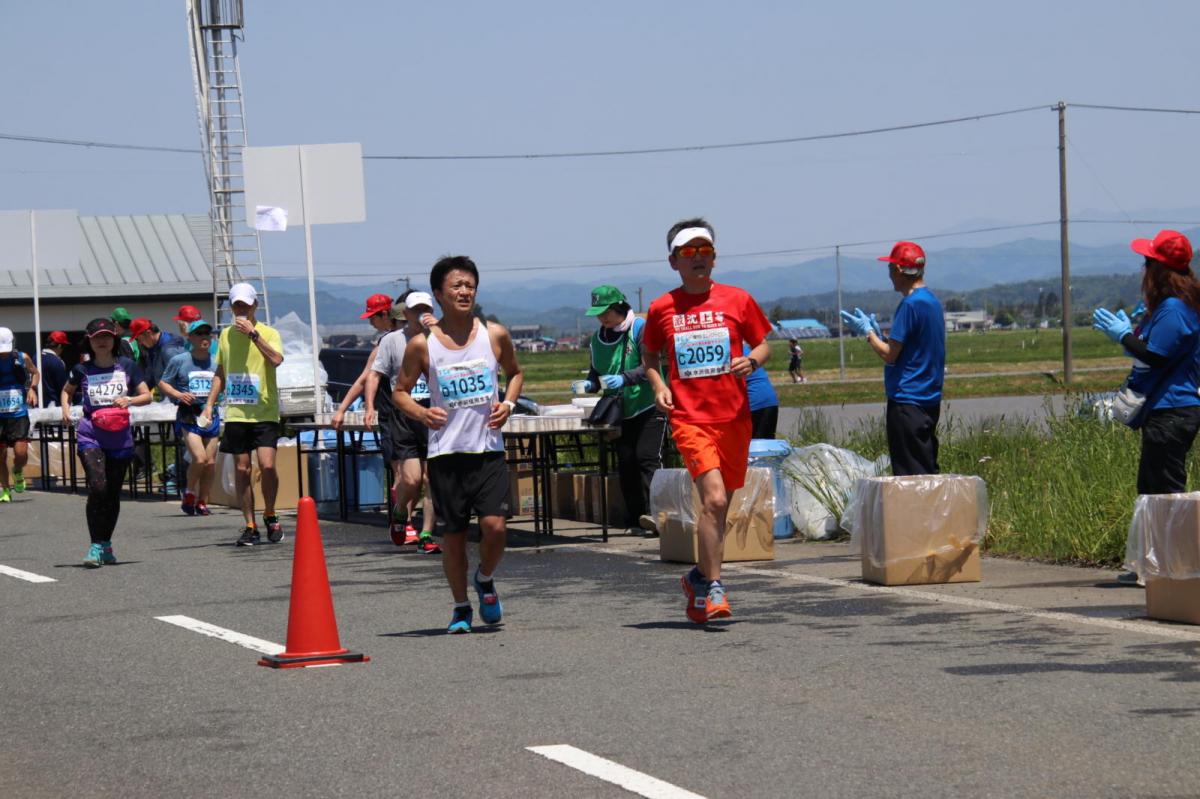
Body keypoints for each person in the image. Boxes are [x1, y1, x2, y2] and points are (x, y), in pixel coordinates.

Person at [642, 219, 772, 624]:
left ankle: (698, 578)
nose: (698, 259)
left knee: (722, 508)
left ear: (714, 257)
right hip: (690, 419)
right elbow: (649, 356)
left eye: (705, 252)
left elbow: (764, 343)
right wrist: (658, 384)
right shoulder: (663, 307)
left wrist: (751, 360)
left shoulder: (738, 299)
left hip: (734, 417)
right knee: (713, 499)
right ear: (673, 261)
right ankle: (716, 587)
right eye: (689, 253)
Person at [393, 255, 523, 634]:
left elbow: (515, 373)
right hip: (446, 453)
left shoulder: (494, 335)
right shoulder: (422, 345)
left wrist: (509, 404)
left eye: (470, 285)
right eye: (456, 286)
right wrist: (422, 414)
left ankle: (484, 578)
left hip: (488, 450)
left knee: (495, 527)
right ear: (439, 294)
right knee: (453, 536)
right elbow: (400, 392)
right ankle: (461, 606)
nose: (464, 291)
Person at [1093, 230, 1200, 584]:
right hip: (1168, 410)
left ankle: (1170, 567)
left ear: (1160, 269)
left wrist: (1122, 336)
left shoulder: (1173, 309)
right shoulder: (1175, 306)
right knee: (1152, 487)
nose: (1143, 268)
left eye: (1148, 262)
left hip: (1172, 410)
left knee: (1164, 491)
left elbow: (1155, 356)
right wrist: (1133, 332)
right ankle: (1153, 563)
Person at [841, 241, 945, 476]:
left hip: (907, 400)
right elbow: (910, 347)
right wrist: (881, 335)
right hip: (929, 399)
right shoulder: (931, 301)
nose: (889, 276)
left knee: (910, 474)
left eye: (890, 269)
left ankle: (914, 513)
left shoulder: (909, 305)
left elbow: (890, 355)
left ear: (899, 271)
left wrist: (868, 333)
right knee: (926, 466)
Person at [60, 318, 152, 566]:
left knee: (111, 494)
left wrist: (130, 401)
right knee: (98, 487)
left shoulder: (128, 366)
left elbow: (147, 395)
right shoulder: (82, 370)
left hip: (119, 436)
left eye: (107, 337)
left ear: (114, 340)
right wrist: (66, 409)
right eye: (97, 337)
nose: (102, 341)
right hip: (90, 433)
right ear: (89, 341)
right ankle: (94, 546)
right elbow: (67, 391)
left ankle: (105, 544)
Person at [201, 283, 286, 546]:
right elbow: (221, 372)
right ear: (231, 307)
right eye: (237, 305)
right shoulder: (225, 336)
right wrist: (209, 403)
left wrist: (254, 335)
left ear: (255, 306)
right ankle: (249, 524)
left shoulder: (269, 332)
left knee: (268, 464)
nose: (241, 310)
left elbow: (276, 360)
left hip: (264, 410)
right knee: (241, 469)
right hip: (237, 410)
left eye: (246, 305)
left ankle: (270, 513)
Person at [580, 284, 666, 537]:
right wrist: (590, 384)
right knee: (626, 463)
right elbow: (596, 372)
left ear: (619, 307)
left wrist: (625, 378)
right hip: (620, 411)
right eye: (598, 313)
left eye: (606, 311)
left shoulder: (639, 328)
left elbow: (649, 364)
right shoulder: (598, 338)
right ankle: (636, 519)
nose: (602, 317)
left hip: (648, 404)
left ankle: (658, 517)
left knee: (647, 458)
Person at [366, 290, 441, 553]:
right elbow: (375, 375)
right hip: (403, 416)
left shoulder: (442, 339)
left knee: (433, 479)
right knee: (412, 479)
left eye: (426, 309)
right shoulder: (391, 341)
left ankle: (427, 533)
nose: (421, 315)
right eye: (415, 310)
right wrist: (369, 406)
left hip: (434, 415)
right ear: (405, 314)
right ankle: (400, 512)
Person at [159, 320, 221, 516]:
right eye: (200, 334)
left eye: (208, 334)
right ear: (190, 337)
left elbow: (223, 384)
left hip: (211, 414)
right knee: (200, 459)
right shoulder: (180, 360)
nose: (205, 338)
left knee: (210, 462)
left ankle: (203, 500)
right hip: (189, 415)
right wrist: (178, 395)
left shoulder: (217, 362)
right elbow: (163, 383)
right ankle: (189, 493)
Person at [0, 327, 40, 502]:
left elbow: (35, 373)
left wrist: (32, 388)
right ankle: (4, 489)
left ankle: (17, 470)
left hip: (18, 412)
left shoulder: (22, 358)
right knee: (0, 454)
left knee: (21, 452)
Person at [130, 317, 187, 394]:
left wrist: (179, 399)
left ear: (148, 333)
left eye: (139, 339)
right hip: (168, 399)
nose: (140, 343)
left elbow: (182, 378)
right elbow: (150, 377)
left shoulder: (169, 351)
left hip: (178, 400)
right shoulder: (153, 348)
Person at [744, 342, 779, 439]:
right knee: (766, 447)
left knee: (752, 448)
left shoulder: (731, 350)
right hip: (769, 400)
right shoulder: (747, 349)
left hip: (754, 402)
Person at [40, 331, 71, 408]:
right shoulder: (57, 362)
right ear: (60, 346)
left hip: (37, 405)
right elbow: (63, 387)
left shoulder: (35, 357)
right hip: (53, 406)